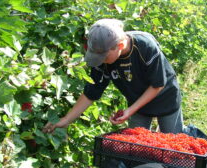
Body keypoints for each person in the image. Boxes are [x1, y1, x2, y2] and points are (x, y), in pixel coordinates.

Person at [43, 18, 183, 134]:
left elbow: (157, 85)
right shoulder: (101, 56)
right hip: (136, 102)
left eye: (104, 56)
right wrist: (67, 119)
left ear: (120, 45)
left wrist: (129, 111)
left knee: (173, 143)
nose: (100, 60)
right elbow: (92, 92)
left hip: (165, 96)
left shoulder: (144, 46)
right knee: (137, 145)